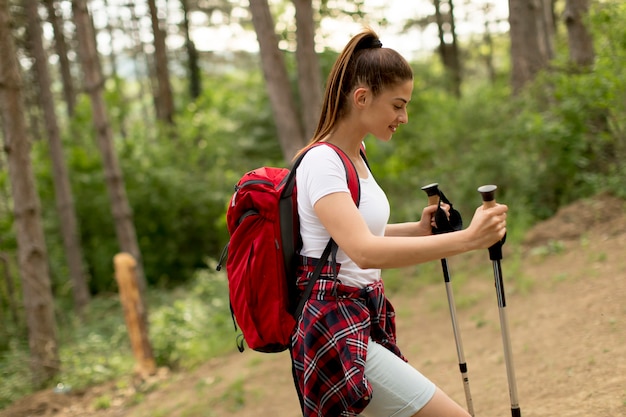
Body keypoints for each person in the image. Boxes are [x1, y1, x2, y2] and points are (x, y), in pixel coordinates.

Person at [290, 28, 508, 417]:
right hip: (335, 328)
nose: (403, 117)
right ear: (361, 98)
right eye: (397, 105)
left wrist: (419, 229)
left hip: (361, 320)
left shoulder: (356, 154)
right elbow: (363, 249)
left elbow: (350, 237)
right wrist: (471, 239)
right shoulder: (322, 162)